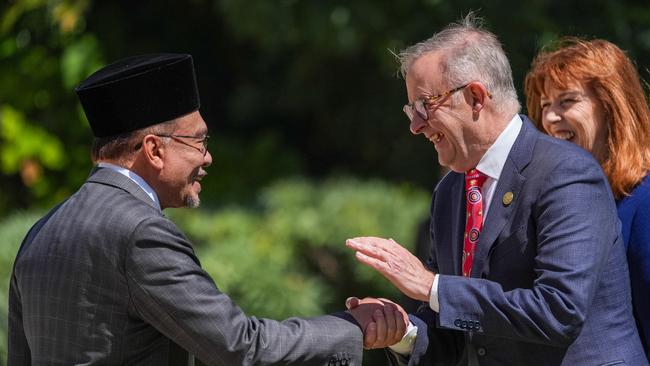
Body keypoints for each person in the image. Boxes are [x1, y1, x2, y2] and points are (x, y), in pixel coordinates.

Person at [7, 53, 407, 365]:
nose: (208, 157)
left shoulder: (42, 231)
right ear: (154, 149)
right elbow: (239, 348)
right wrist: (351, 326)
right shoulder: (139, 232)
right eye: (198, 142)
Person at [344, 15, 649, 365]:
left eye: (425, 105)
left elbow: (559, 310)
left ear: (476, 96)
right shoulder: (449, 194)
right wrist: (402, 333)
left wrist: (431, 287)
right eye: (411, 109)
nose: (415, 126)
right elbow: (456, 335)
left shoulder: (567, 172)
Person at [524, 37, 650, 360]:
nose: (550, 119)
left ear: (611, 108)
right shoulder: (559, 203)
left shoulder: (643, 198)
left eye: (566, 101)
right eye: (544, 105)